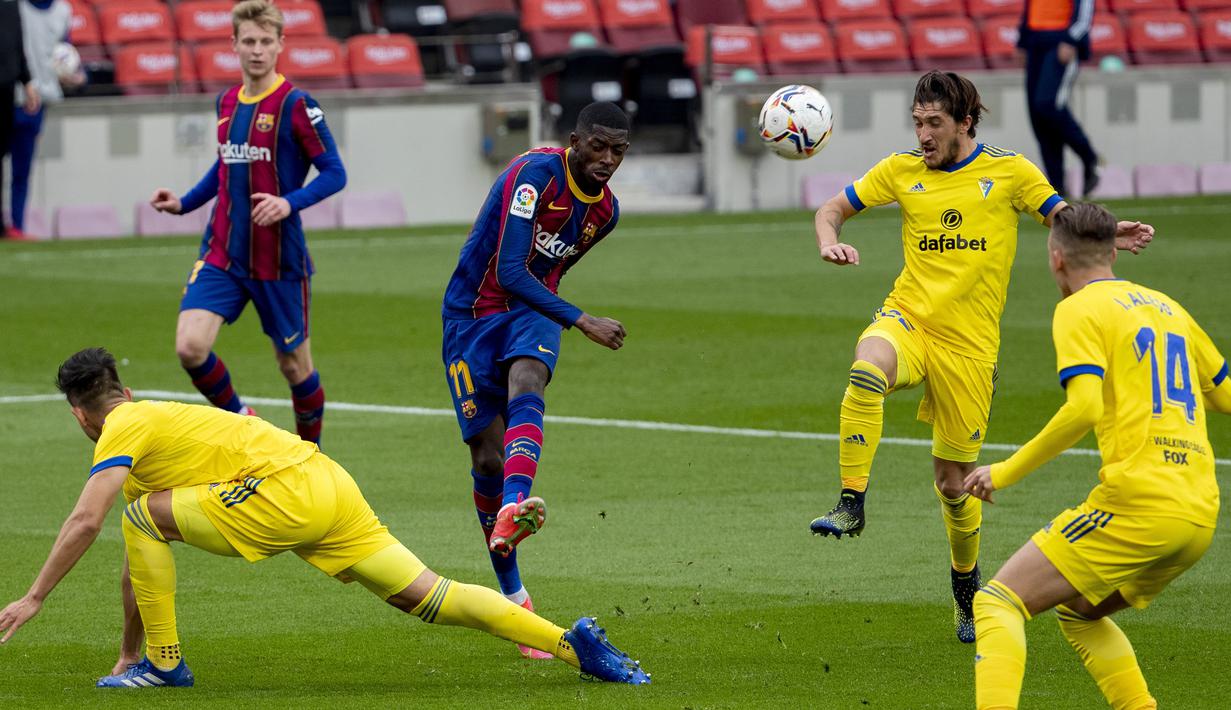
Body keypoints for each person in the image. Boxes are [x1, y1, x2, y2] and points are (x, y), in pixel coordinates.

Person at [0, 348, 650, 689]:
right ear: (123, 386)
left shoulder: (122, 424)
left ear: (80, 413)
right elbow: (138, 563)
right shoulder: (151, 421)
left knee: (137, 517)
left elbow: (91, 519)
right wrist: (126, 651)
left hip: (280, 489)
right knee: (430, 596)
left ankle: (167, 668)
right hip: (327, 482)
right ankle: (574, 647)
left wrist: (33, 597)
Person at [806, 70, 1154, 644]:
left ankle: (965, 590)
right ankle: (850, 501)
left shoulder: (1010, 172)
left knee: (953, 484)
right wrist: (829, 242)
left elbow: (1064, 219)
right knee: (867, 367)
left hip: (970, 348)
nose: (923, 134)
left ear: (965, 122)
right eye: (917, 123)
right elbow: (830, 210)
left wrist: (1110, 231)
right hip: (909, 318)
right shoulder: (900, 171)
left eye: (934, 123)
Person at [963, 202, 1228, 709]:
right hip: (1198, 515)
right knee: (1080, 610)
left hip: (1139, 505)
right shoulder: (1168, 306)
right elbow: (1224, 395)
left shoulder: (1078, 309)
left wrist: (1003, 471)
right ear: (1112, 252)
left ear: (1057, 259)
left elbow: (1082, 408)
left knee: (996, 602)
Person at [440, 101, 628, 657]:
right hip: (472, 311)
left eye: (618, 151)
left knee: (530, 378)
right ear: (575, 140)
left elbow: (548, 272)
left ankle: (513, 506)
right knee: (486, 460)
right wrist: (583, 320)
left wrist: (557, 315)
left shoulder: (606, 213)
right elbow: (509, 269)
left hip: (532, 308)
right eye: (598, 146)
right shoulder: (533, 177)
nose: (607, 160)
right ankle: (514, 594)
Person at [150, 0, 346, 445]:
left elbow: (335, 172)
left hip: (278, 259)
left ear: (280, 45)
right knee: (190, 347)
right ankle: (244, 420)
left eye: (265, 41)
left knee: (295, 368)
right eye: (248, 41)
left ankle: (308, 458)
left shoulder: (297, 105)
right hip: (223, 251)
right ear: (234, 46)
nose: (256, 50)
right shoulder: (224, 103)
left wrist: (288, 203)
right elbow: (225, 169)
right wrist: (183, 202)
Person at [8, 0, 82, 240]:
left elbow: (65, 50)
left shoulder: (63, 10)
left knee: (22, 169)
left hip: (40, 101)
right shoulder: (14, 7)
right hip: (9, 93)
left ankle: (16, 227)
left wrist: (74, 75)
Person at [1018, 0, 1100, 198]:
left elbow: (1086, 7)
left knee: (1048, 104)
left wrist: (1071, 39)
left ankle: (1089, 157)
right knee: (1038, 118)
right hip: (1035, 43)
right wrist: (1022, 40)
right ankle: (1057, 187)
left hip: (1060, 43)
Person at [1, 0, 41, 238]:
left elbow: (16, 47)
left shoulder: (10, 6)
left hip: (5, 89)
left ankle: (4, 225)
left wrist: (27, 82)